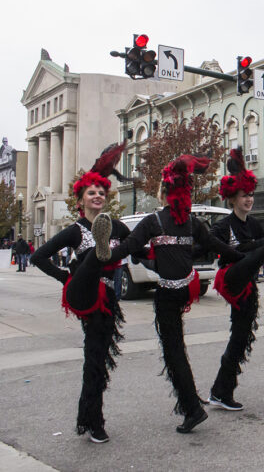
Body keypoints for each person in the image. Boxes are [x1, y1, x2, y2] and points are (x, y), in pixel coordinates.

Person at [89, 154, 249, 434]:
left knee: (173, 351)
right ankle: (191, 405)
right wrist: (243, 255)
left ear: (164, 192)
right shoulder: (191, 222)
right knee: (177, 348)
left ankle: (192, 408)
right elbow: (214, 245)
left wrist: (105, 256)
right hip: (187, 289)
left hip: (166, 293)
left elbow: (128, 248)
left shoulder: (153, 221)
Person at [30, 143, 130, 443]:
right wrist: (65, 278)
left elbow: (138, 246)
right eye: (92, 192)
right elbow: (38, 256)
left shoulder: (115, 225)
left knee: (98, 358)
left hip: (110, 297)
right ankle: (93, 421)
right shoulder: (74, 230)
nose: (98, 195)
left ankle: (88, 418)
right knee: (95, 358)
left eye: (101, 191)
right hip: (86, 294)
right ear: (81, 199)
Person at [207, 148, 264, 412]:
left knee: (240, 336)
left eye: (251, 195)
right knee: (261, 247)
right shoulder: (222, 227)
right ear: (232, 199)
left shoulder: (254, 224)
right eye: (244, 195)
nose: (249, 199)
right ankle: (220, 392)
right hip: (231, 279)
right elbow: (240, 251)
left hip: (248, 286)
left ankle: (220, 391)